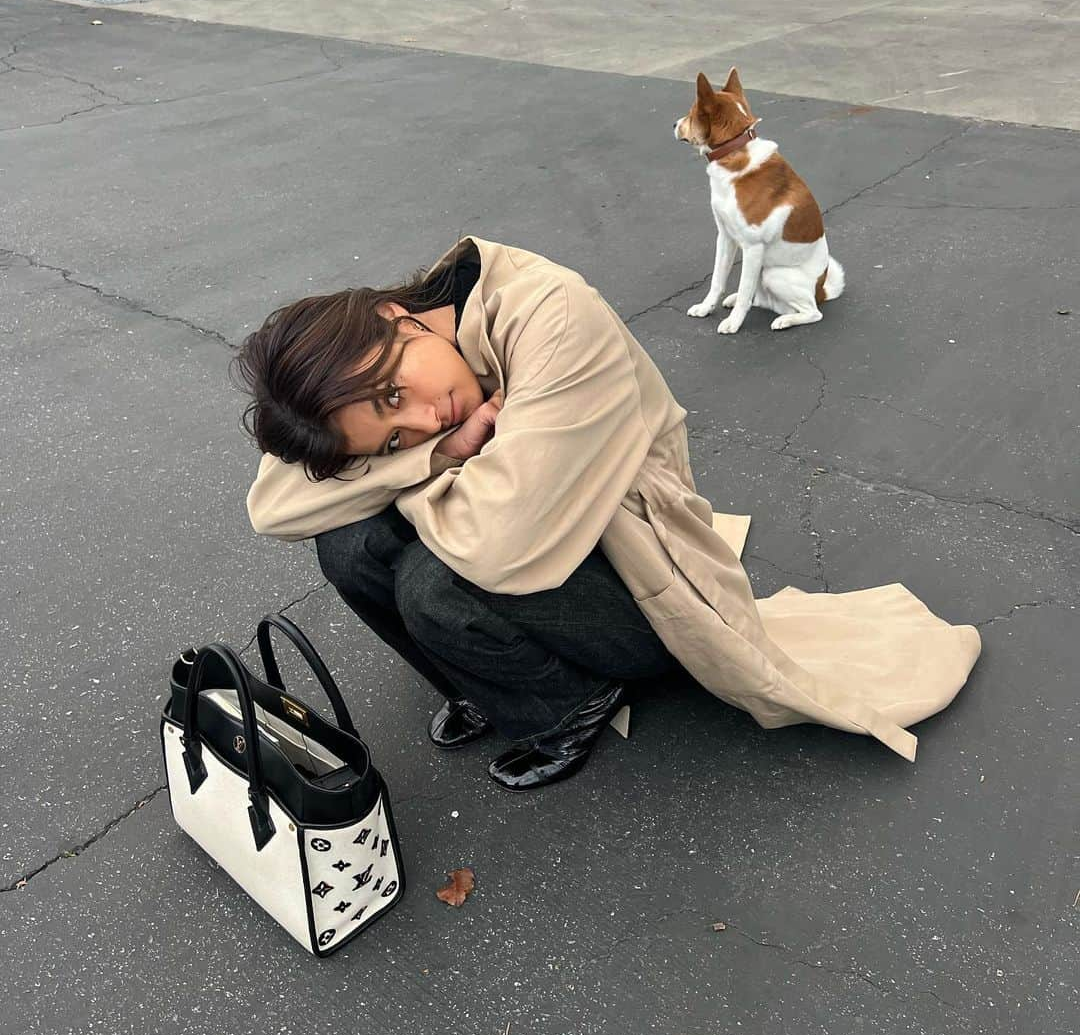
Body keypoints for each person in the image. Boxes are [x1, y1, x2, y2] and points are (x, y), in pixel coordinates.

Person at [236, 236, 981, 792]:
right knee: (346, 543)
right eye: (393, 435)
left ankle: (567, 704)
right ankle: (479, 679)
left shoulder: (554, 318)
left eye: (394, 395)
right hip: (542, 546)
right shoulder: (426, 359)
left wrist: (398, 471)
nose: (427, 417)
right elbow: (273, 504)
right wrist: (437, 454)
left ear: (391, 315)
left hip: (642, 580)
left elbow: (496, 542)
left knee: (433, 584)